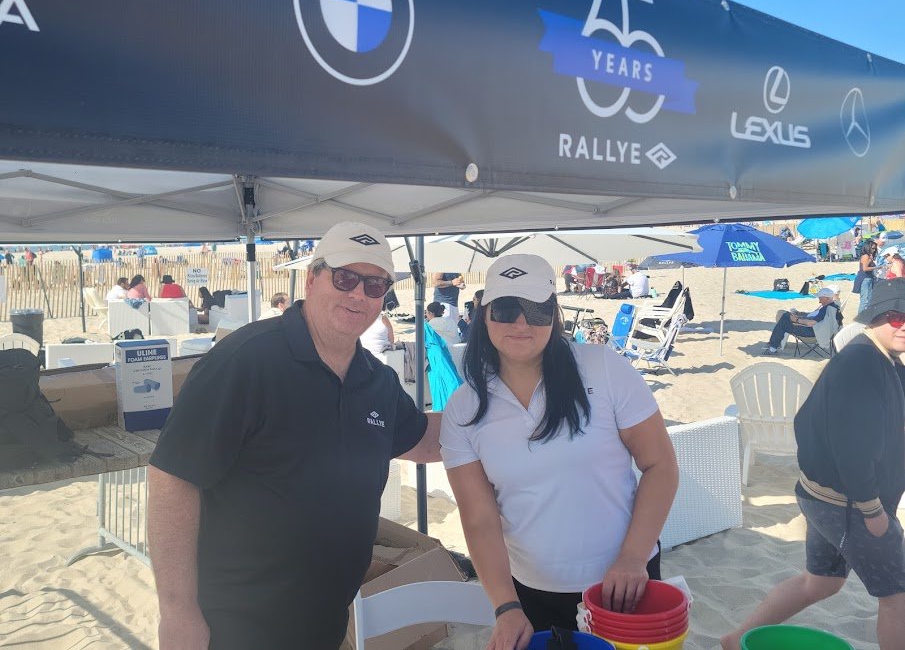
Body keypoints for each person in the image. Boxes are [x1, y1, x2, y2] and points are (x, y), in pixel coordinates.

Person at [147, 221, 442, 649]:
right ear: (311, 279)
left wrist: (505, 415)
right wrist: (177, 613)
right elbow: (172, 477)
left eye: (375, 285)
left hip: (326, 621)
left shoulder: (376, 380)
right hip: (235, 626)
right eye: (345, 278)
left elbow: (424, 440)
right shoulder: (245, 361)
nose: (359, 294)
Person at [440, 254, 678, 646]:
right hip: (532, 593)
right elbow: (479, 518)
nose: (522, 323)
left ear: (555, 315)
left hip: (625, 583)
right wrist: (505, 606)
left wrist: (633, 558)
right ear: (484, 314)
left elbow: (660, 465)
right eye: (506, 309)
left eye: (538, 310)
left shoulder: (604, 367)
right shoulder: (464, 408)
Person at [722, 278, 905, 650]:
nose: (903, 325)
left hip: (823, 497)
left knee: (820, 582)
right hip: (849, 504)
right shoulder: (860, 363)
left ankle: (734, 640)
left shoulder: (885, 359)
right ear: (874, 317)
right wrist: (872, 510)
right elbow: (851, 447)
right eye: (896, 317)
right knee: (898, 597)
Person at [763, 287, 841, 355]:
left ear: (826, 298)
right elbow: (817, 319)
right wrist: (801, 317)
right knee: (786, 316)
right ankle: (773, 344)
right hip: (818, 331)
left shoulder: (827, 309)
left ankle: (772, 348)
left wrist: (797, 320)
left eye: (820, 298)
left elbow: (811, 323)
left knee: (784, 320)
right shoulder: (834, 307)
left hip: (812, 333)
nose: (819, 301)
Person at [855, 240, 879, 313]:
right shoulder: (866, 256)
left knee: (869, 299)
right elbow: (865, 268)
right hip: (864, 278)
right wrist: (876, 267)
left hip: (868, 278)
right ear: (868, 247)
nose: (874, 250)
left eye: (875, 249)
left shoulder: (868, 256)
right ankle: (861, 316)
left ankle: (865, 315)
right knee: (865, 300)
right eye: (872, 248)